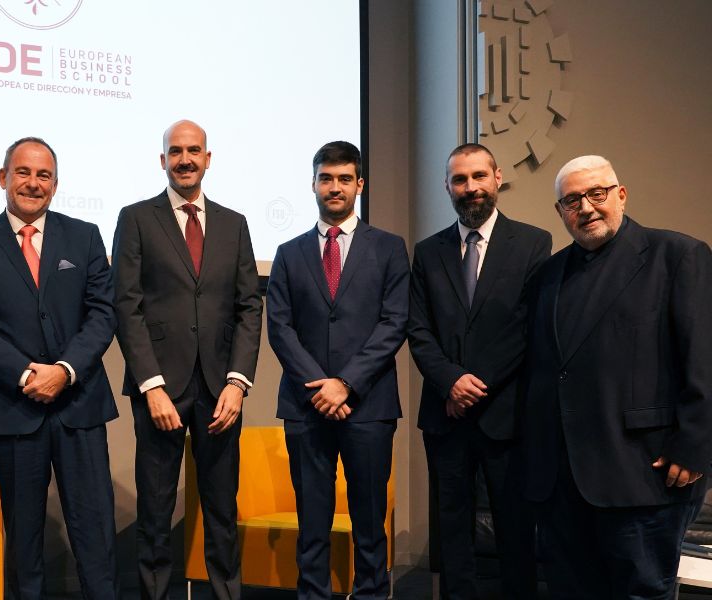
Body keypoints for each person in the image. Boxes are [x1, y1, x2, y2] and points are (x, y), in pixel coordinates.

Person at [520, 155, 712, 598]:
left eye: (596, 194)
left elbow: (703, 358)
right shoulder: (548, 275)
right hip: (561, 482)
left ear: (620, 195)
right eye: (572, 200)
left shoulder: (677, 256)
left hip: (643, 473)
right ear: (560, 212)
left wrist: (694, 447)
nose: (586, 207)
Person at [0, 137, 120, 599]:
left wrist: (64, 370)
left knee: (96, 537)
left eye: (44, 175)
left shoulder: (85, 235)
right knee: (22, 544)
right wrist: (27, 375)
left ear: (55, 184)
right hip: (13, 409)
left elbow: (103, 313)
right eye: (23, 172)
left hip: (79, 406)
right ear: (3, 177)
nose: (33, 183)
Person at [112, 120, 263, 600]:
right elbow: (126, 306)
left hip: (221, 390)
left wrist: (238, 383)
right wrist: (151, 386)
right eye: (175, 151)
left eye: (193, 150)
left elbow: (249, 306)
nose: (185, 159)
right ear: (163, 160)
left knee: (221, 510)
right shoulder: (136, 218)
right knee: (156, 513)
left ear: (208, 158)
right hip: (159, 389)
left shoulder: (234, 223)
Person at [265, 141, 408, 600]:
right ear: (313, 184)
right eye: (326, 178)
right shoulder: (288, 252)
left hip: (369, 405)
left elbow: (394, 323)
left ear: (359, 185)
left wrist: (345, 384)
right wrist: (320, 388)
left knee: (369, 523)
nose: (335, 187)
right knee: (312, 524)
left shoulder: (389, 248)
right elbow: (280, 327)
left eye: (345, 178)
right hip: (306, 407)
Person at [407, 143, 549, 599]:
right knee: (452, 531)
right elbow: (417, 328)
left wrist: (472, 385)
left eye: (478, 177)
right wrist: (450, 381)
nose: (470, 188)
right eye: (460, 179)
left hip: (506, 414)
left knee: (514, 527)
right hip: (444, 416)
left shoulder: (533, 243)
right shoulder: (427, 252)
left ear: (497, 177)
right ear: (447, 187)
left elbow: (527, 325)